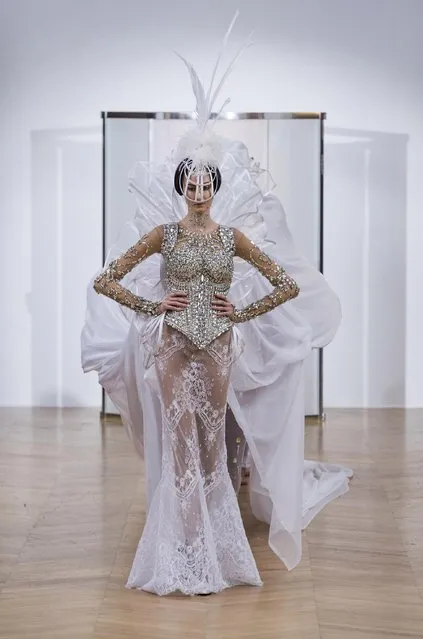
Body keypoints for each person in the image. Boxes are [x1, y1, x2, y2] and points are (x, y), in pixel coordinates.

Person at [81, 13, 352, 596]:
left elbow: (284, 284)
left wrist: (242, 313)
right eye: (192, 184)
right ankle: (181, 551)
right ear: (182, 186)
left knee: (211, 445)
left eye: (208, 184)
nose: (200, 192)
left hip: (221, 347)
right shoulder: (164, 236)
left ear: (215, 189)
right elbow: (107, 280)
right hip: (176, 346)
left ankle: (218, 554)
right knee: (180, 440)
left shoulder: (233, 240)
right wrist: (154, 308)